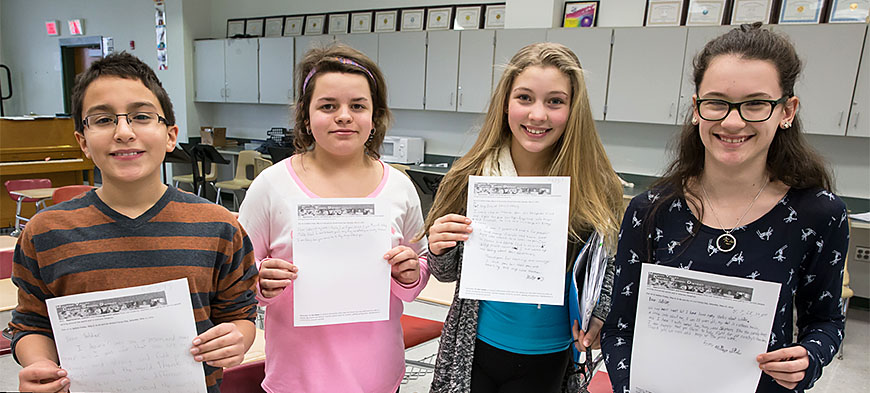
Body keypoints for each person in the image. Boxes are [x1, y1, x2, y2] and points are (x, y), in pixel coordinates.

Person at [601, 23, 849, 393]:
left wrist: (809, 359)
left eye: (755, 104)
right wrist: (626, 386)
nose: (733, 121)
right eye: (717, 102)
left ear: (787, 110)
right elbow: (620, 328)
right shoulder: (650, 210)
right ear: (697, 109)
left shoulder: (818, 214)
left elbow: (825, 322)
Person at [9, 52, 259, 393]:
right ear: (83, 141)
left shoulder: (218, 225)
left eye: (141, 116)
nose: (124, 132)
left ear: (170, 136)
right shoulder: (46, 232)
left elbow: (239, 314)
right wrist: (39, 365)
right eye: (102, 120)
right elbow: (32, 324)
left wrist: (237, 340)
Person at [421, 42, 624, 393]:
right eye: (525, 98)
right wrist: (438, 248)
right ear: (505, 103)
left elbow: (606, 269)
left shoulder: (595, 184)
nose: (538, 115)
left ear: (573, 109)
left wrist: (601, 314)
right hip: (476, 350)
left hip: (550, 354)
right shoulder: (470, 175)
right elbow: (446, 271)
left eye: (555, 101)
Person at [237, 44, 429, 393]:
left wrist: (410, 272)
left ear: (375, 116)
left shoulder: (399, 188)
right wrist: (261, 283)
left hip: (378, 377)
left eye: (357, 106)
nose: (344, 116)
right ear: (306, 116)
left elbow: (419, 273)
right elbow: (239, 279)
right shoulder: (272, 186)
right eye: (328, 106)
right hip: (297, 380)